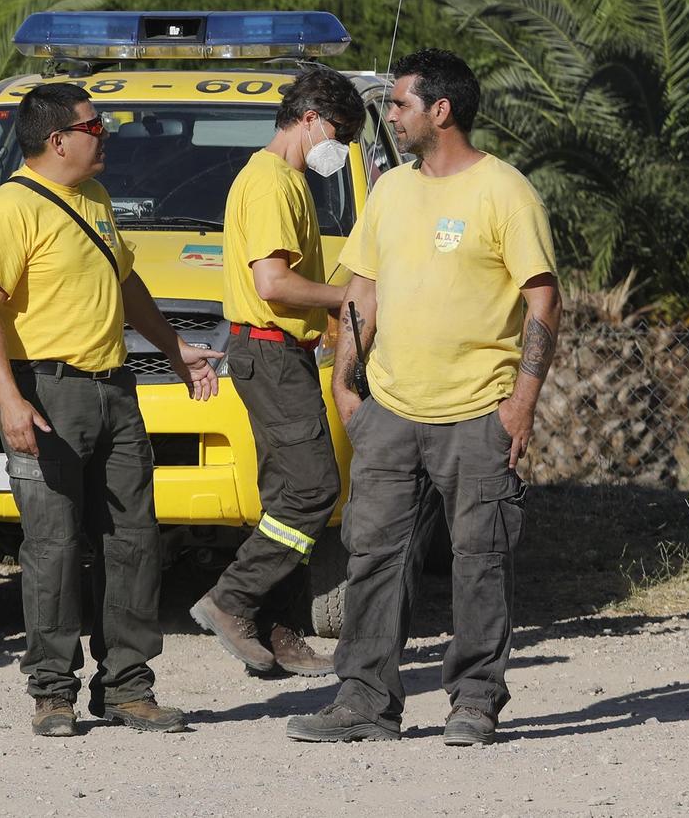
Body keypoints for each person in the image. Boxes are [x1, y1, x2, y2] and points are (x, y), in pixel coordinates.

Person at [287, 49, 560, 747]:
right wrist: (348, 381)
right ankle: (364, 701)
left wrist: (521, 403)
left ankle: (473, 699)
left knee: (479, 557)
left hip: (478, 414)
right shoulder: (392, 190)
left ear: (441, 110)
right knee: (371, 557)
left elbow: (543, 300)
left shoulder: (505, 191)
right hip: (391, 414)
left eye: (401, 104)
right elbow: (363, 289)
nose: (391, 117)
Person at [0, 82, 218, 739]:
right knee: (51, 546)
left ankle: (128, 687)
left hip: (115, 389)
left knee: (132, 541)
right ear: (58, 139)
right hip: (46, 395)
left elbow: (124, 280)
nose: (105, 134)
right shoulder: (8, 209)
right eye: (96, 125)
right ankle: (52, 691)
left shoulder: (96, 198)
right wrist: (11, 399)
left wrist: (175, 347)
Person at [190, 66, 365, 678]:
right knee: (315, 488)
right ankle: (231, 599)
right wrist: (340, 300)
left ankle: (278, 631)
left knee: (285, 498)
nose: (339, 150)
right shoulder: (271, 184)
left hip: (276, 352)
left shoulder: (285, 181)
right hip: (269, 353)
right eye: (340, 133)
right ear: (312, 117)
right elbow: (274, 281)